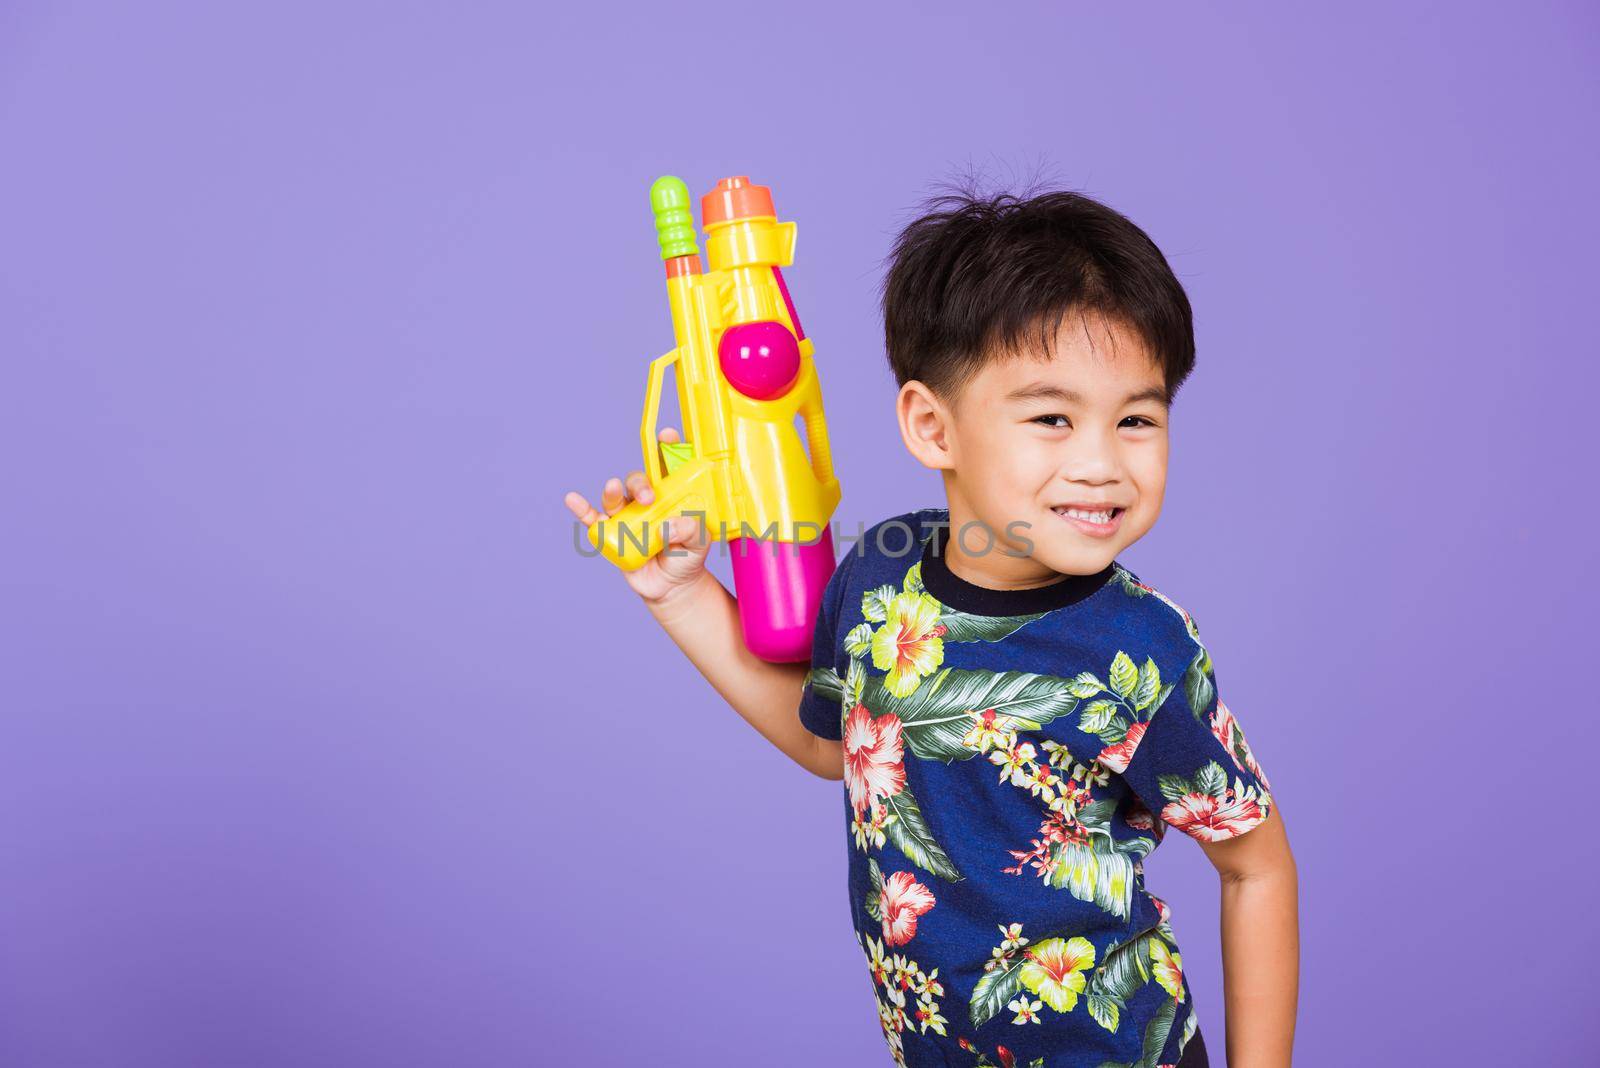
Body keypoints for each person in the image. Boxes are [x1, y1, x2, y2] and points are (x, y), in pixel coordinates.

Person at [563, 185, 1299, 1068]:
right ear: (930, 425)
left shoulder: (1141, 651)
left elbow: (1255, 865)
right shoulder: (881, 574)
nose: (1102, 462)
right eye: (1052, 417)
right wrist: (681, 596)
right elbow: (837, 747)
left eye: (1136, 419)